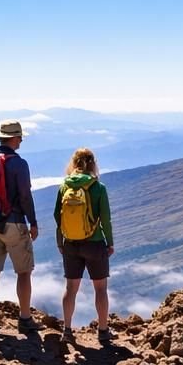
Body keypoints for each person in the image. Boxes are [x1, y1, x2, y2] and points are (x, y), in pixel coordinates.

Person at [0, 122, 40, 335]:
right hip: (13, 223)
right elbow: (25, 195)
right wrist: (32, 222)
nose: (21, 140)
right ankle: (25, 319)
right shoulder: (18, 164)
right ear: (13, 139)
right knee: (24, 273)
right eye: (20, 137)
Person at [54, 147, 115, 345]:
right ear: (93, 163)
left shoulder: (64, 186)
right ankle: (103, 331)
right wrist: (110, 242)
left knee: (71, 288)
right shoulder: (98, 188)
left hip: (70, 244)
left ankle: (67, 330)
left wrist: (60, 241)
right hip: (95, 243)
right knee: (100, 289)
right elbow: (105, 219)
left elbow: (58, 217)